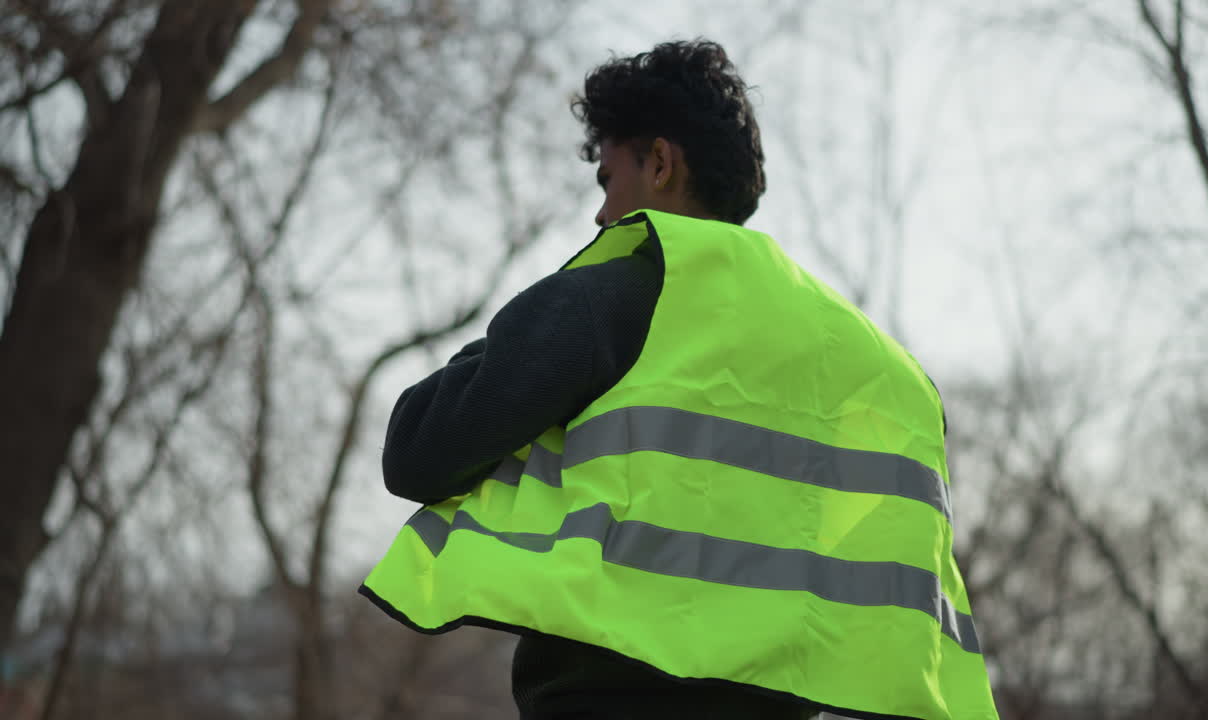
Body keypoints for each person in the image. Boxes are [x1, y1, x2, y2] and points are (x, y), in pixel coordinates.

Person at [361, 39, 999, 720]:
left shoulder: (612, 297)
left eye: (608, 182)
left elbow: (418, 449)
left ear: (660, 163)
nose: (602, 215)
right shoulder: (881, 367)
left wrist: (561, 291)